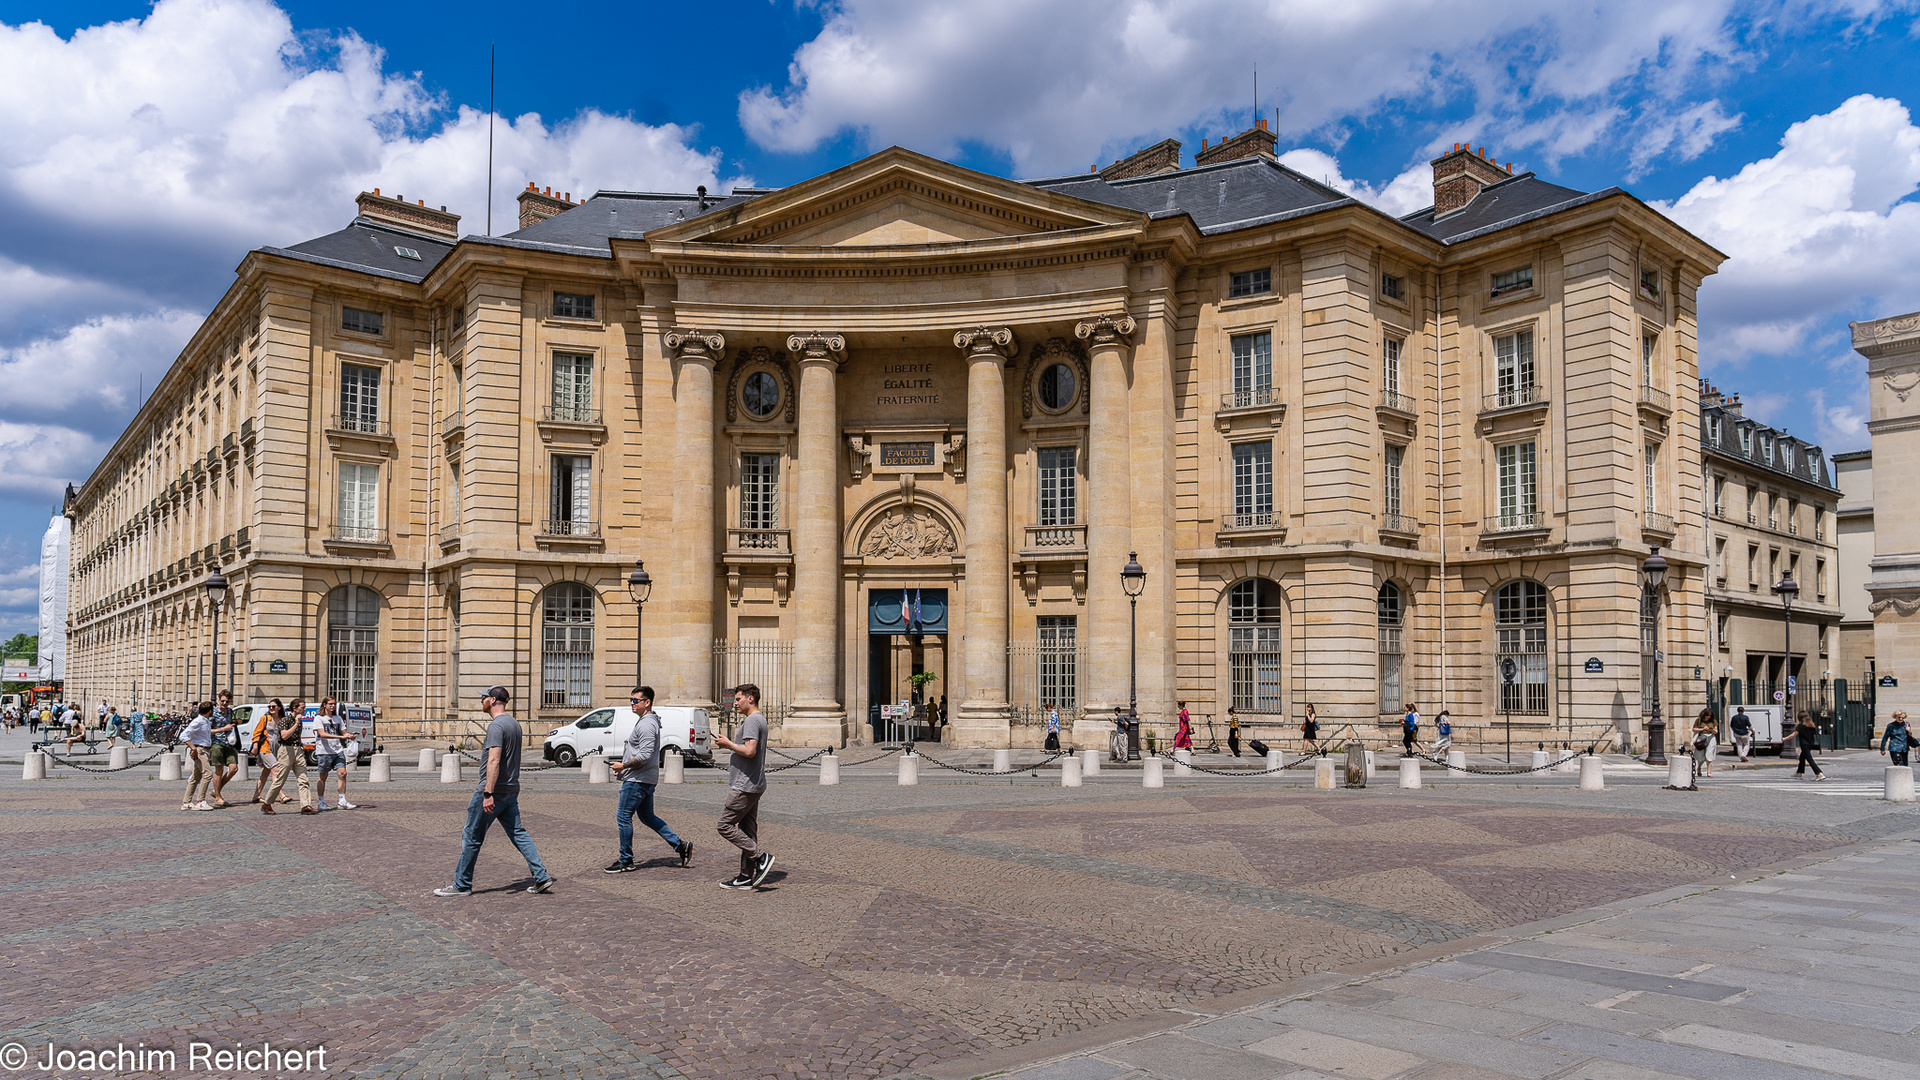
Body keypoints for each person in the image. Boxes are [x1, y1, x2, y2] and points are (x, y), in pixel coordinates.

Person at [436, 686, 554, 895]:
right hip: (511, 789)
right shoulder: (514, 724)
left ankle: (462, 885)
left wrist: (488, 793)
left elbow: (494, 759)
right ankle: (541, 876)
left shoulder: (496, 726)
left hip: (494, 790)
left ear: (492, 700)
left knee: (472, 835)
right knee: (518, 833)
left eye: (483, 698)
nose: (481, 701)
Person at [605, 685, 693, 874]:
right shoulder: (649, 721)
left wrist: (623, 766)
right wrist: (622, 766)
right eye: (631, 699)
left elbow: (644, 755)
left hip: (638, 780)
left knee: (623, 817)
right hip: (644, 778)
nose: (631, 703)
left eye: (635, 700)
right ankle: (680, 845)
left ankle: (626, 860)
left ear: (647, 703)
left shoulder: (646, 723)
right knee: (647, 817)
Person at [710, 684, 775, 890]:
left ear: (751, 699)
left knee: (724, 825)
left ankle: (761, 857)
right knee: (748, 830)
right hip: (753, 783)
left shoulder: (752, 721)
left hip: (745, 784)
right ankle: (746, 876)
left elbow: (749, 751)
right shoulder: (759, 719)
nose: (735, 703)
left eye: (739, 699)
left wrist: (728, 744)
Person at [259, 700, 314, 814]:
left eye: (304, 708)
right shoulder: (285, 720)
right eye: (302, 708)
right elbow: (284, 736)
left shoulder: (299, 721)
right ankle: (267, 804)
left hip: (298, 750)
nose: (304, 710)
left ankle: (305, 805)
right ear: (294, 708)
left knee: (303, 779)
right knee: (280, 779)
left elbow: (296, 736)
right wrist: (296, 724)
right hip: (286, 750)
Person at [311, 698, 355, 810]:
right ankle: (321, 801)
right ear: (324, 705)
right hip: (324, 751)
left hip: (337, 750)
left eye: (334, 704)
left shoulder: (338, 718)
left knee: (342, 773)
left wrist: (349, 736)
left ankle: (342, 800)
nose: (333, 706)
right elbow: (322, 734)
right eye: (330, 704)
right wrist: (341, 737)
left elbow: (343, 732)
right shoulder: (319, 718)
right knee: (323, 776)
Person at [207, 690, 241, 807]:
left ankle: (216, 789)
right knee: (219, 770)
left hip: (229, 743)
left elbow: (231, 723)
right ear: (218, 700)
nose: (224, 703)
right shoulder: (213, 712)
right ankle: (217, 797)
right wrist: (223, 729)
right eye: (222, 701)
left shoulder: (230, 711)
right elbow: (207, 730)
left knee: (234, 768)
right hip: (217, 743)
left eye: (227, 701)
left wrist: (236, 723)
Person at [181, 702, 215, 811]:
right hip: (200, 750)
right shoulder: (198, 721)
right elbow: (183, 735)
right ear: (210, 711)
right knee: (208, 774)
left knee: (195, 777)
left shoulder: (205, 721)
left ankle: (186, 802)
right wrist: (193, 748)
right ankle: (201, 801)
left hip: (204, 749)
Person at [1792, 711, 1826, 780]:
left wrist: (1785, 738)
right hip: (1810, 744)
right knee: (1802, 758)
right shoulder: (1812, 725)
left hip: (1804, 745)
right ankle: (1799, 772)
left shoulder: (1801, 726)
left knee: (1810, 760)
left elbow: (1794, 734)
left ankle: (1819, 773)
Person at [1691, 708, 1718, 779]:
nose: (1709, 717)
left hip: (1711, 737)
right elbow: (1694, 729)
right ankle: (1699, 767)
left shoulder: (1713, 721)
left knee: (1710, 755)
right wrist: (1702, 729)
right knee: (1701, 756)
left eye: (1710, 716)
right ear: (1704, 715)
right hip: (1702, 737)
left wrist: (1711, 729)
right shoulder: (1699, 720)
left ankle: (1709, 772)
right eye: (1707, 715)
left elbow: (1716, 731)